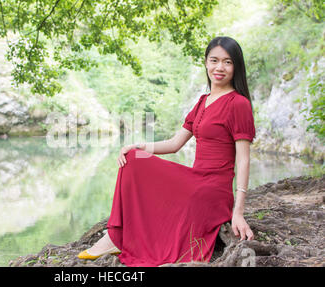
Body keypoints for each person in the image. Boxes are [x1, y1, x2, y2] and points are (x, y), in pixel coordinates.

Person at [77, 36, 256, 266]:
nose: (219, 67)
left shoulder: (238, 104)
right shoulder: (203, 101)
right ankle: (115, 236)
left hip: (212, 190)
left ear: (236, 66)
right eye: (214, 60)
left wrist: (238, 212)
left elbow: (243, 160)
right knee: (132, 159)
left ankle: (117, 237)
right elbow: (174, 144)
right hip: (195, 179)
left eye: (227, 62)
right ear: (206, 63)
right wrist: (139, 146)